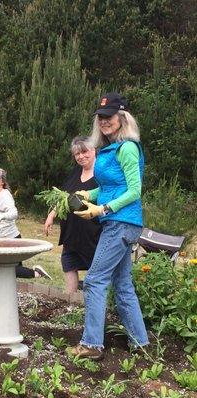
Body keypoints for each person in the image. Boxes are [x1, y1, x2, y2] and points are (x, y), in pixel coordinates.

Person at [68, 92, 148, 360]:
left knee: (93, 280)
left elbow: (135, 190)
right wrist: (87, 195)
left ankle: (91, 344)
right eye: (100, 117)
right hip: (118, 222)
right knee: (122, 284)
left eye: (109, 116)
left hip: (120, 222)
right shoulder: (109, 149)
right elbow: (110, 186)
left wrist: (103, 208)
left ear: (122, 117)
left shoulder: (127, 147)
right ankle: (141, 343)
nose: (104, 121)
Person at [43, 136, 101, 293]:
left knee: (95, 272)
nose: (81, 157)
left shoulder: (102, 173)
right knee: (69, 263)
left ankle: (92, 304)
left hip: (93, 233)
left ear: (94, 150)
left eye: (84, 152)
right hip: (71, 231)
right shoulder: (75, 172)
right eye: (77, 154)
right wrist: (51, 215)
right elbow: (65, 197)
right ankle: (71, 301)